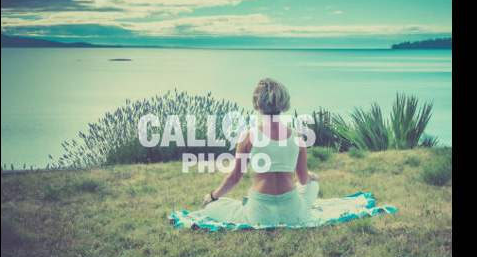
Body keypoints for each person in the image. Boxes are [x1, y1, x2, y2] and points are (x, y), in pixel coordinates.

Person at [169, 78, 395, 230]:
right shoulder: (297, 137)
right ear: (285, 106)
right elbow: (303, 179)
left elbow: (235, 178)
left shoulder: (248, 136)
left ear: (257, 106)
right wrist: (311, 178)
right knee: (313, 184)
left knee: (212, 207)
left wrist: (213, 196)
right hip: (294, 213)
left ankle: (214, 203)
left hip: (258, 214)